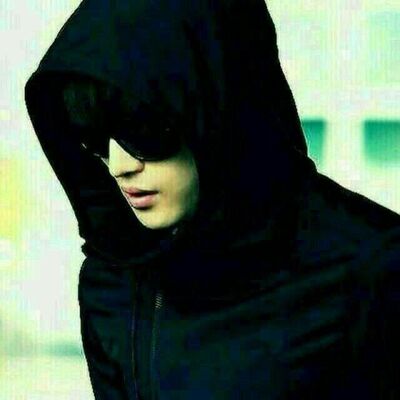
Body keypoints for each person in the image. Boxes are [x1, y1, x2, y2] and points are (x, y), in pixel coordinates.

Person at [24, 0, 400, 399]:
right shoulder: (110, 280)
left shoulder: (373, 268)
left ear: (222, 109)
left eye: (142, 130)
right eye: (94, 136)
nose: (120, 166)